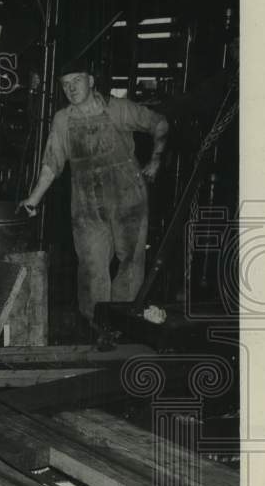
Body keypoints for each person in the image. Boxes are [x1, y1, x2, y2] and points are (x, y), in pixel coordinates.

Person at [20, 60, 169, 327]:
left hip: (128, 198)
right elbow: (52, 162)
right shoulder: (63, 120)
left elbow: (159, 123)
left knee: (130, 261)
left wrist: (156, 159)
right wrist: (34, 198)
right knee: (91, 264)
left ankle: (124, 321)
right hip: (87, 203)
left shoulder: (118, 109)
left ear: (91, 81)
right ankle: (98, 325)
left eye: (76, 80)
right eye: (65, 84)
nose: (71, 88)